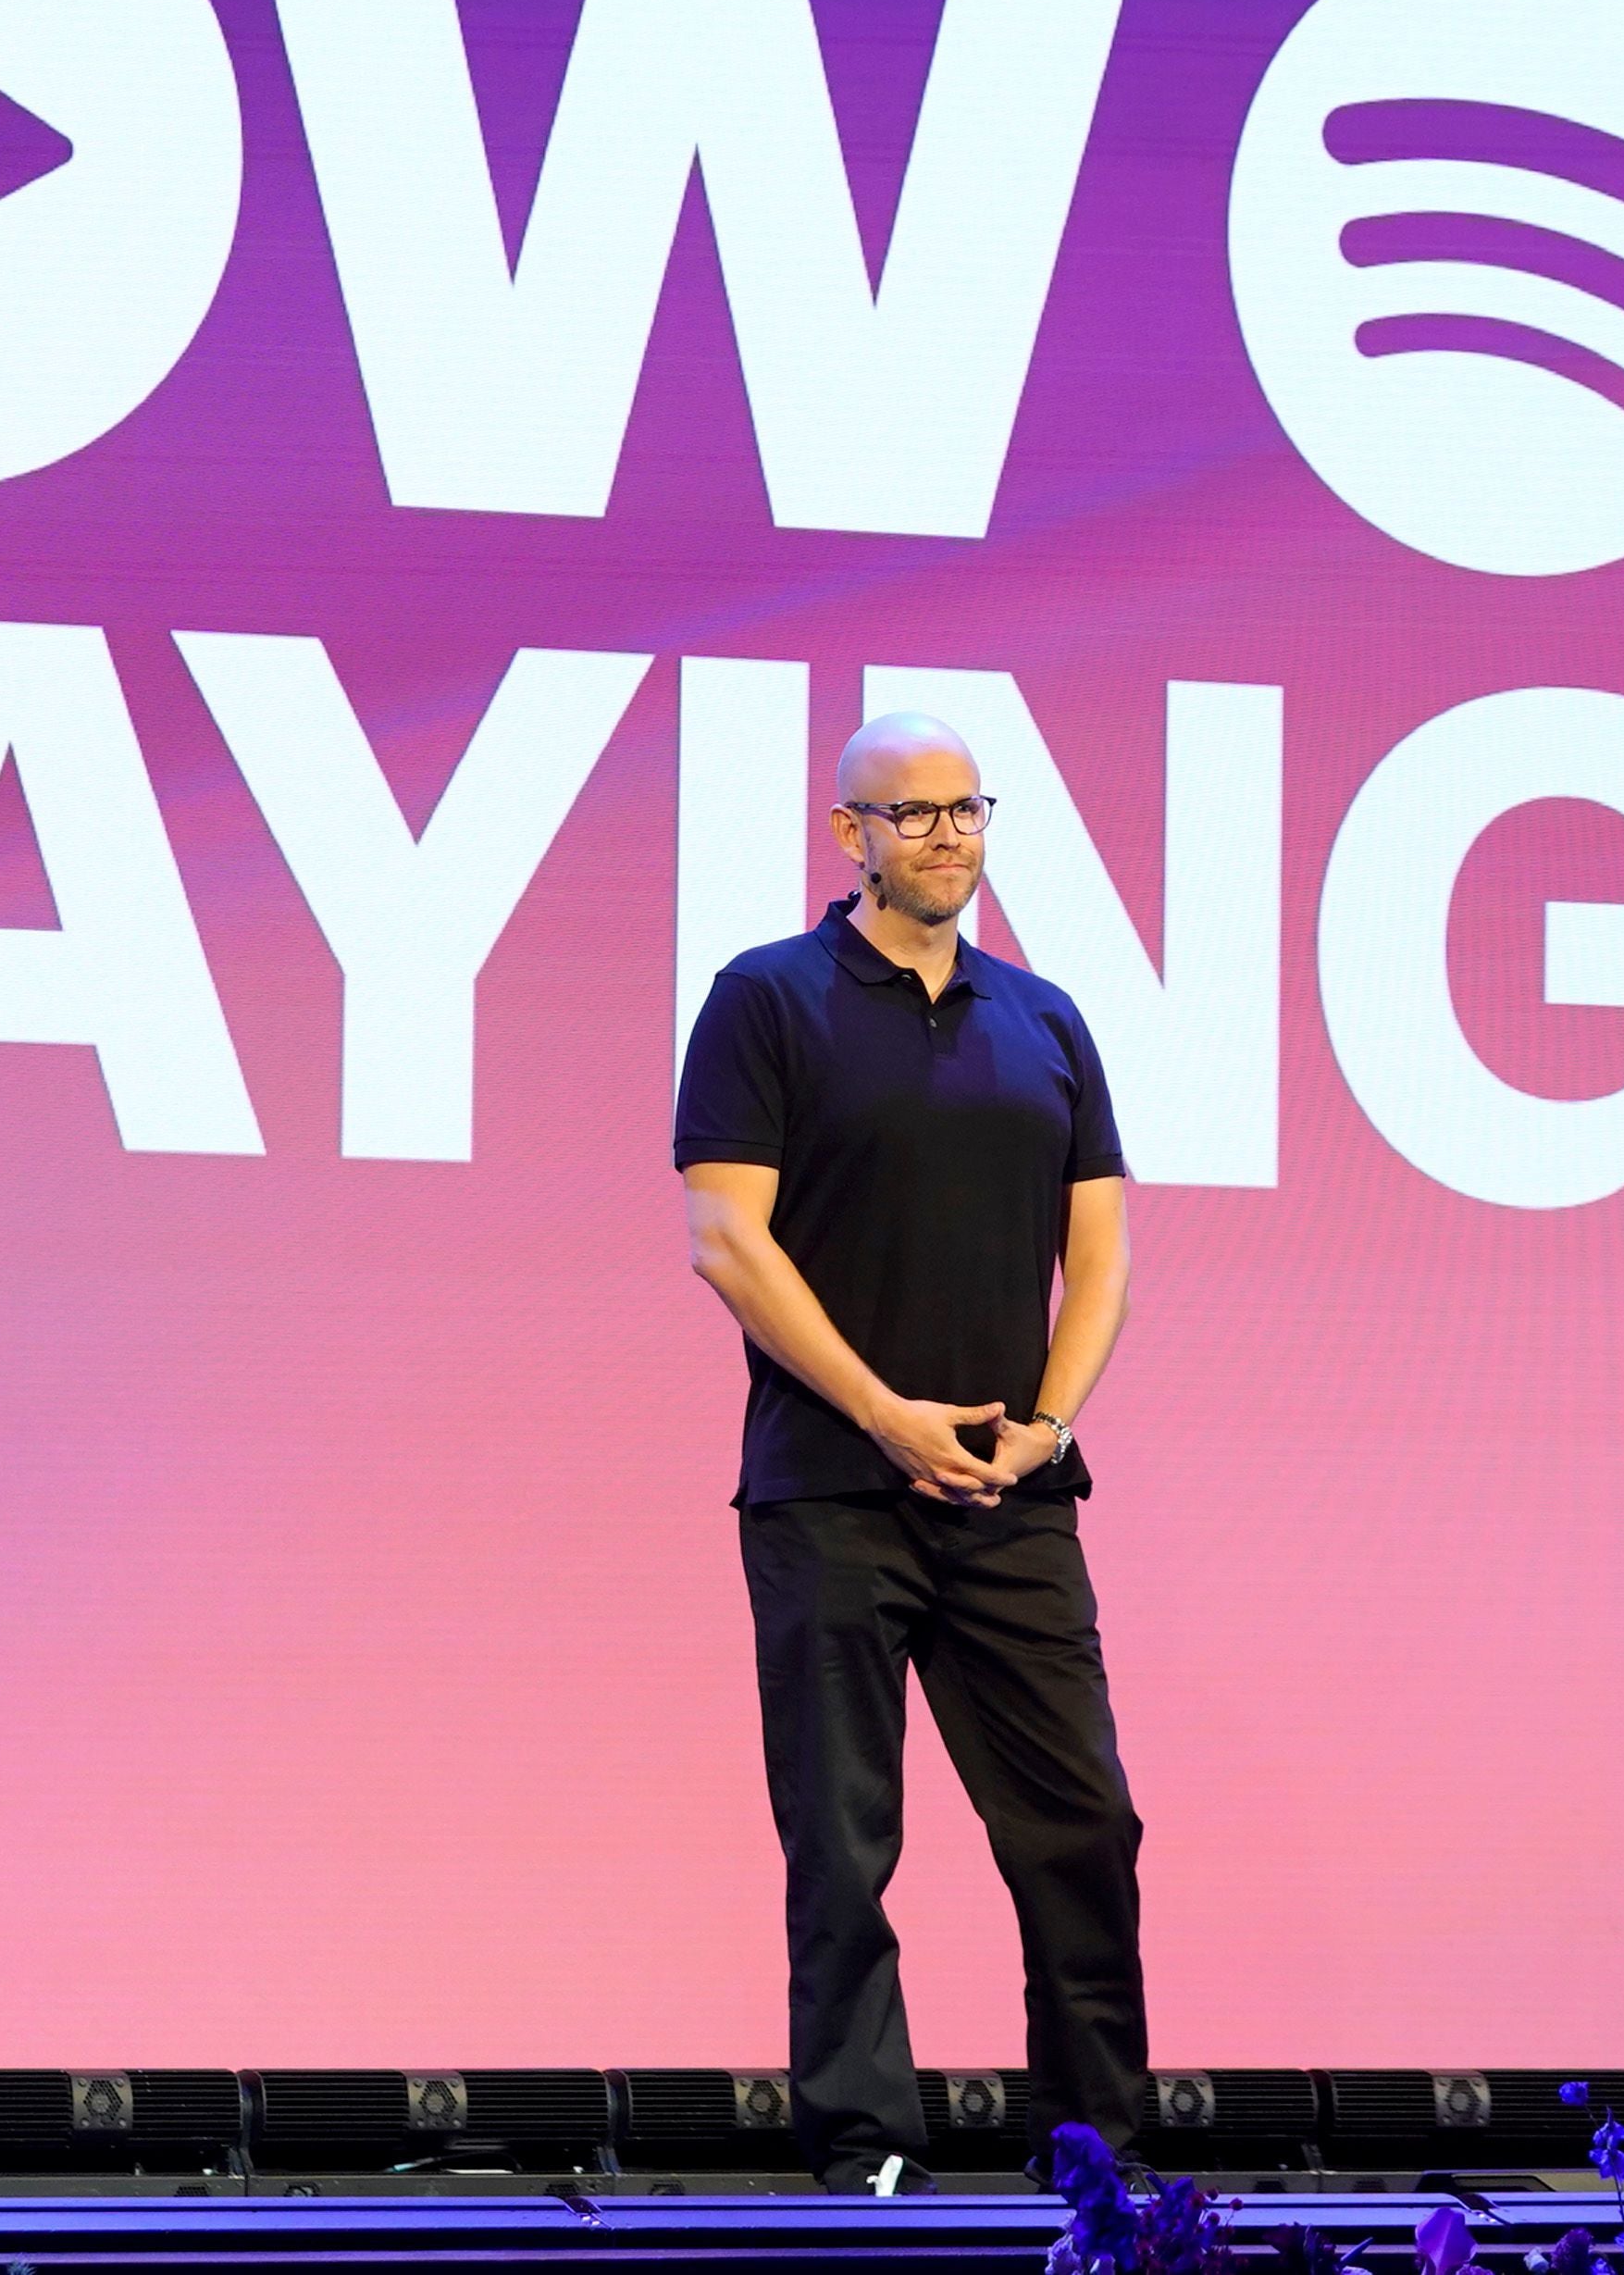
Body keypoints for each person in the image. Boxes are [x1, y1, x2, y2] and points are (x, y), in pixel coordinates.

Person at [672, 711, 1147, 2195]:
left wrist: (1047, 1428)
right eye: (912, 814)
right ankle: (866, 2148)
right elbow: (726, 1240)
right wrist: (885, 1414)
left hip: (1013, 1498)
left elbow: (1105, 1250)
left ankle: (1098, 2153)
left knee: (1082, 1825)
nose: (946, 836)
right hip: (833, 1495)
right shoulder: (768, 1000)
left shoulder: (1045, 1017)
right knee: (843, 1834)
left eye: (966, 811)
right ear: (848, 834)